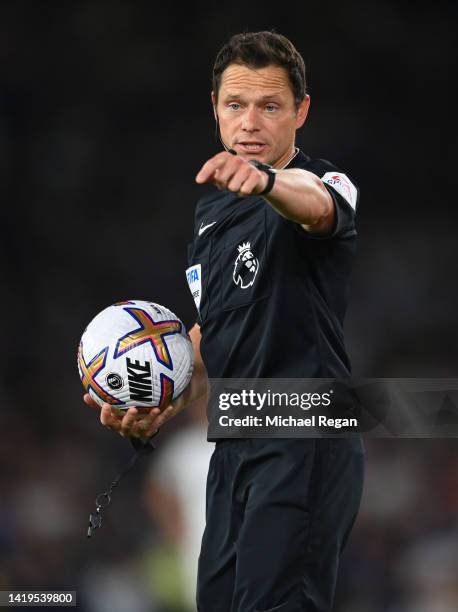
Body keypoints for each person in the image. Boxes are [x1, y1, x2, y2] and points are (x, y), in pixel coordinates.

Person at [85, 31, 365, 612]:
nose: (250, 122)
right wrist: (161, 402)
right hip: (233, 443)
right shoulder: (211, 212)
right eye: (236, 105)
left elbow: (316, 203)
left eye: (270, 106)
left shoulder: (320, 182)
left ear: (300, 112)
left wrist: (265, 181)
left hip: (304, 433)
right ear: (215, 109)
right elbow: (213, 337)